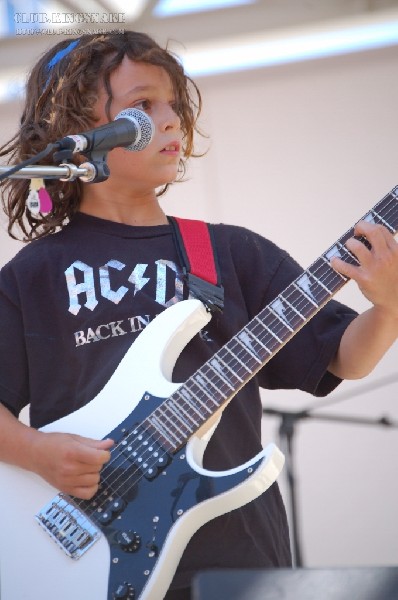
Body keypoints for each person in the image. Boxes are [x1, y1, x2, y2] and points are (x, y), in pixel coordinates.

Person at [0, 31, 397, 600]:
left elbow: (340, 357)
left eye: (173, 104)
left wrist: (389, 306)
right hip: (84, 562)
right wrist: (37, 454)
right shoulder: (33, 275)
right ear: (74, 132)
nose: (170, 119)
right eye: (142, 106)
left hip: (236, 553)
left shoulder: (231, 253)